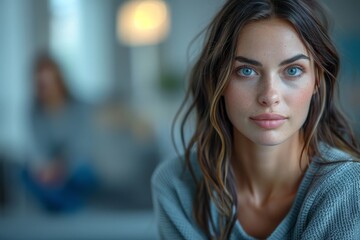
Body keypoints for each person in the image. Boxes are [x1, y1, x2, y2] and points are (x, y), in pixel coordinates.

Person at [151, 0, 360, 239]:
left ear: (317, 81)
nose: (269, 96)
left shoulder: (349, 188)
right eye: (246, 71)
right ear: (217, 81)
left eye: (292, 70)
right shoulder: (177, 186)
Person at [23, 54, 97, 212]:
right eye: (43, 85)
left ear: (59, 81)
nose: (48, 89)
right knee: (24, 173)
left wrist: (62, 168)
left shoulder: (79, 107)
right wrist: (44, 167)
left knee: (85, 173)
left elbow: (82, 145)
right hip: (48, 170)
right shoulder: (35, 111)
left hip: (74, 166)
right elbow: (37, 146)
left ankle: (58, 201)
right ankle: (66, 202)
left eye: (51, 83)